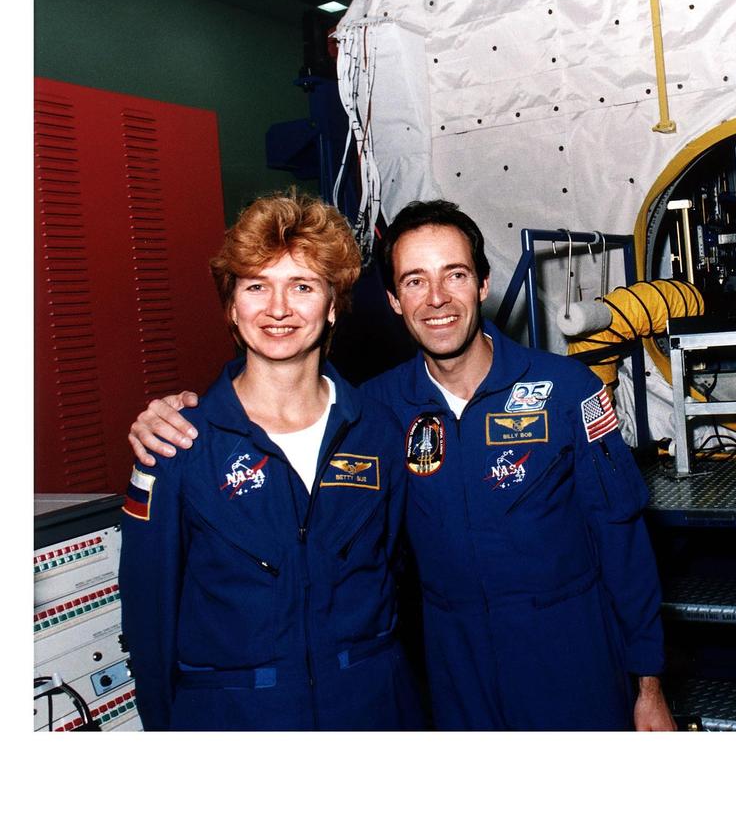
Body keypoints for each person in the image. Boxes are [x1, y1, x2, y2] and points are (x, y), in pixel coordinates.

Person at [129, 200, 676, 732]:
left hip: (571, 662)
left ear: (483, 285)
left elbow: (621, 537)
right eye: (415, 280)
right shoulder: (379, 411)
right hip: (451, 677)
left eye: (455, 275)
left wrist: (648, 685)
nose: (437, 299)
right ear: (392, 300)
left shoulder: (565, 390)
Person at [118, 192, 424, 731]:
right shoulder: (177, 444)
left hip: (370, 709)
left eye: (302, 287)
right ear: (233, 308)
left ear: (332, 306)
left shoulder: (380, 433)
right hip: (232, 719)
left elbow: (402, 577)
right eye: (257, 286)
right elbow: (150, 616)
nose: (278, 309)